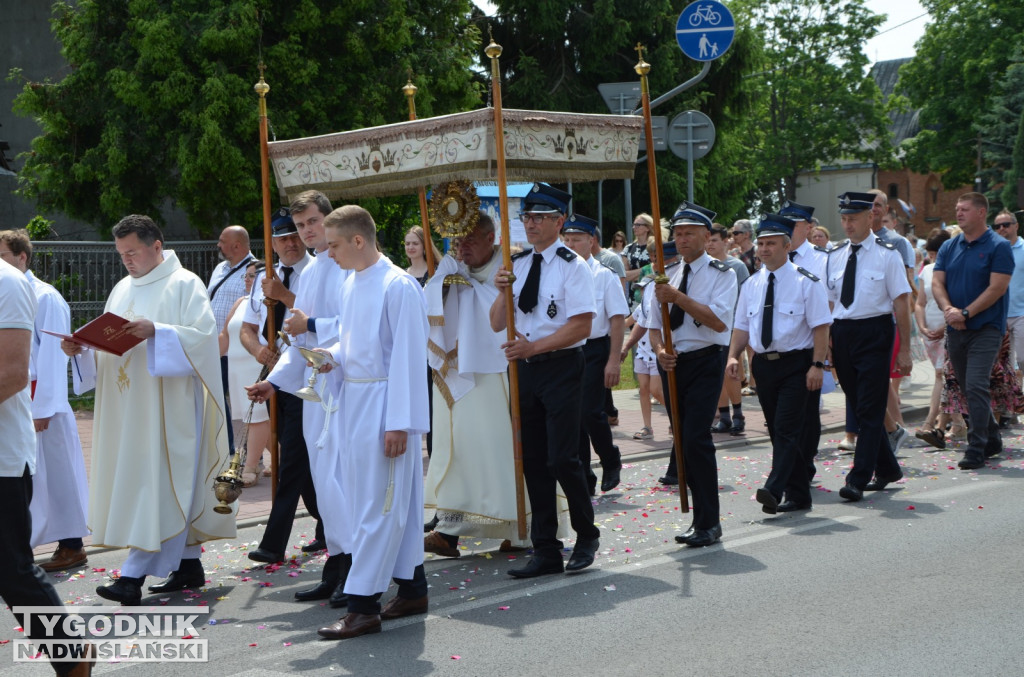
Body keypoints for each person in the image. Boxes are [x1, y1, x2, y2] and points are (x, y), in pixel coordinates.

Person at [62, 214, 236, 604]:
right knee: (149, 483)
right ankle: (189, 565)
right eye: (122, 253)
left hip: (168, 406)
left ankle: (131, 576)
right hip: (127, 410)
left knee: (158, 484)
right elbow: (109, 341)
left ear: (156, 246)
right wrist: (82, 348)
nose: (127, 260)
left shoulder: (184, 283)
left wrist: (159, 331)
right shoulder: (122, 287)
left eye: (133, 252)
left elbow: (205, 340)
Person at [311, 204, 429, 640]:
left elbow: (408, 358)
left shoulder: (398, 286)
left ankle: (363, 607)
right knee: (373, 500)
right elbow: (352, 341)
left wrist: (399, 422)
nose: (329, 254)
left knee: (381, 505)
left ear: (358, 240)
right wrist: (332, 357)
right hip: (355, 400)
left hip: (384, 405)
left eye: (335, 245)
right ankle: (413, 589)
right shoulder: (350, 282)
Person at [422, 213, 564, 557]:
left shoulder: (513, 268)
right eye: (457, 240)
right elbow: (431, 303)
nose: (462, 247)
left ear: (491, 239)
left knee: (504, 453)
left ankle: (521, 529)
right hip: (456, 373)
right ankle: (449, 528)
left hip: (500, 373)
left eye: (470, 239)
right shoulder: (453, 269)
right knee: (457, 452)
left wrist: (481, 291)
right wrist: (444, 285)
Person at [247, 190, 352, 607]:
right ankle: (335, 565)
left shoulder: (349, 267)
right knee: (324, 483)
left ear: (330, 220)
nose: (307, 232)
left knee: (343, 482)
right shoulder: (308, 274)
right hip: (313, 390)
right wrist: (274, 381)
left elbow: (353, 325)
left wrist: (310, 322)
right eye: (301, 225)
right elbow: (297, 337)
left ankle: (354, 571)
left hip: (346, 385)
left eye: (312, 223)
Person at [490, 182, 601, 578]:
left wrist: (533, 350)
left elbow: (581, 327)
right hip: (525, 369)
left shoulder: (574, 266)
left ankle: (587, 535)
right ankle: (546, 548)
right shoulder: (517, 265)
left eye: (539, 217)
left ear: (560, 221)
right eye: (527, 217)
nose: (531, 223)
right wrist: (502, 293)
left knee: (562, 458)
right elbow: (497, 323)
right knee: (532, 460)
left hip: (561, 366)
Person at [0, 255, 95, 677]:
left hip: (1, 454)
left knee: (9, 567)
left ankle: (70, 654)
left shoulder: (7, 282)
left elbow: (13, 373)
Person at [645, 201, 738, 546]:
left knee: (697, 438)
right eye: (678, 234)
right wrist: (659, 351)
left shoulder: (721, 274)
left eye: (689, 233)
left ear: (705, 236)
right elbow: (653, 324)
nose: (682, 239)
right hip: (673, 364)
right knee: (682, 439)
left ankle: (709, 521)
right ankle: (699, 520)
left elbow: (718, 320)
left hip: (705, 359)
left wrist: (678, 297)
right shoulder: (668, 275)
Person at [726, 215, 831, 514]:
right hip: (765, 366)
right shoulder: (752, 284)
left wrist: (817, 365)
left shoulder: (805, 281)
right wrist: (734, 355)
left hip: (798, 364)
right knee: (776, 430)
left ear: (787, 246)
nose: (763, 249)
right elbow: (742, 326)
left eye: (771, 243)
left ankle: (774, 487)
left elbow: (821, 327)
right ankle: (799, 496)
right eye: (760, 243)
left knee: (786, 428)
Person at [240, 207, 325, 562]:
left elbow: (312, 321)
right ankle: (327, 524)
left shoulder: (318, 271)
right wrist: (259, 350)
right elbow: (246, 329)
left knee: (291, 460)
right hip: (276, 378)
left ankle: (273, 543)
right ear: (271, 243)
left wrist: (284, 295)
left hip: (311, 376)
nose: (290, 242)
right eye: (283, 237)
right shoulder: (264, 277)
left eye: (295, 234)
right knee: (297, 460)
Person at [0, 231, 88, 571]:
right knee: (38, 481)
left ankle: (71, 545)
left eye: (4, 255)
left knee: (58, 477)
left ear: (23, 257)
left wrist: (44, 408)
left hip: (40, 401)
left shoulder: (46, 296)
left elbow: (53, 357)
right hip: (22, 400)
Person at [825, 193, 912, 502]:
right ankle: (888, 468)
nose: (848, 225)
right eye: (844, 219)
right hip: (844, 332)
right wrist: (828, 342)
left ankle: (858, 477)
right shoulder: (834, 255)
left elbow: (902, 303)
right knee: (859, 402)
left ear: (870, 218)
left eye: (854, 219)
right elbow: (831, 302)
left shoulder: (888, 255)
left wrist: (904, 351)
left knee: (869, 406)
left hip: (875, 330)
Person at [932, 192, 1015, 470]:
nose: (959, 213)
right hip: (956, 329)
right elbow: (937, 283)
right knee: (968, 388)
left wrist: (966, 313)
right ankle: (991, 435)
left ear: (981, 212)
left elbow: (997, 288)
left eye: (965, 209)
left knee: (976, 384)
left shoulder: (998, 246)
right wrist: (949, 311)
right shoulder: (949, 247)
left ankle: (976, 447)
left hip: (985, 328)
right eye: (957, 208)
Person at [562, 214, 629, 493]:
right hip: (566, 349)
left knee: (590, 411)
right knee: (571, 416)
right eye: (566, 239)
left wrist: (614, 360)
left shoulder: (604, 275)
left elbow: (616, 319)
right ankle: (584, 476)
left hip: (594, 348)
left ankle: (610, 458)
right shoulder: (560, 273)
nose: (570, 244)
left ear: (591, 241)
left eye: (576, 239)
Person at [220, 260, 271, 486]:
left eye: (254, 276)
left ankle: (250, 466)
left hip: (256, 366)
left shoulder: (268, 301)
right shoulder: (241, 302)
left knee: (257, 418)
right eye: (247, 276)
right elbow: (225, 335)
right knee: (251, 419)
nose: (249, 280)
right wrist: (205, 358)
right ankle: (282, 455)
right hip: (236, 368)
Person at [208, 225, 255, 454]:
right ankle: (228, 451)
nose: (218, 245)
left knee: (246, 405)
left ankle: (252, 456)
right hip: (218, 347)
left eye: (222, 241)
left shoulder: (255, 270)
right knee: (218, 400)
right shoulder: (219, 269)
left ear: (236, 245)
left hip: (240, 351)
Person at [621, 241, 675, 441]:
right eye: (641, 289)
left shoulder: (660, 293)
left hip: (656, 349)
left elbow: (647, 324)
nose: (643, 291)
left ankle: (675, 417)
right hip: (642, 350)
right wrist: (623, 343)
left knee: (655, 389)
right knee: (643, 388)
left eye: (645, 288)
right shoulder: (643, 301)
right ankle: (647, 426)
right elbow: (632, 322)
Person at [913, 230, 960, 449]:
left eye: (937, 253)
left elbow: (959, 303)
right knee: (946, 377)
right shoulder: (927, 271)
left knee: (942, 375)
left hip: (950, 329)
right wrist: (922, 326)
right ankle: (958, 423)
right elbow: (920, 302)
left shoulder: (955, 270)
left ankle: (930, 424)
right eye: (931, 253)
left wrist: (945, 326)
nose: (933, 257)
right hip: (929, 332)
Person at [705, 223, 748, 434]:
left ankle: (738, 414)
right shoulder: (704, 265)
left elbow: (745, 298)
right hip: (710, 329)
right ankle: (724, 416)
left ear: (725, 241)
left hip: (731, 327)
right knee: (717, 375)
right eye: (708, 240)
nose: (710, 244)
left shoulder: (736, 266)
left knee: (732, 372)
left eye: (714, 240)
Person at [994, 210, 1024, 375]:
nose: (1001, 229)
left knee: (1022, 360)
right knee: (1005, 364)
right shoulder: (994, 250)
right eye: (998, 226)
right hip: (999, 315)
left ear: (1016, 226)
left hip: (1021, 313)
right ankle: (1015, 398)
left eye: (1006, 225)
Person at [623, 213, 653, 304]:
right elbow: (624, 275)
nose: (634, 227)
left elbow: (658, 271)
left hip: (651, 291)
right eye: (634, 225)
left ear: (647, 228)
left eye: (638, 225)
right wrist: (646, 269)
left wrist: (634, 274)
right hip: (634, 295)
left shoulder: (655, 247)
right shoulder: (628, 248)